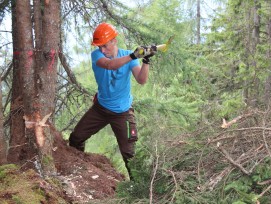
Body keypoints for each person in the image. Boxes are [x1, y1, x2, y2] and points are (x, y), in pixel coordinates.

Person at [69, 22, 156, 180]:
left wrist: (146, 61)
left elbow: (141, 80)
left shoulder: (129, 56)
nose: (102, 50)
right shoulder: (97, 55)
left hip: (123, 113)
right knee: (76, 138)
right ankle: (78, 170)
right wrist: (133, 56)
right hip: (100, 109)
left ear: (114, 41)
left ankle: (139, 189)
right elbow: (109, 65)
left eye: (105, 45)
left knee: (130, 155)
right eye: (99, 46)